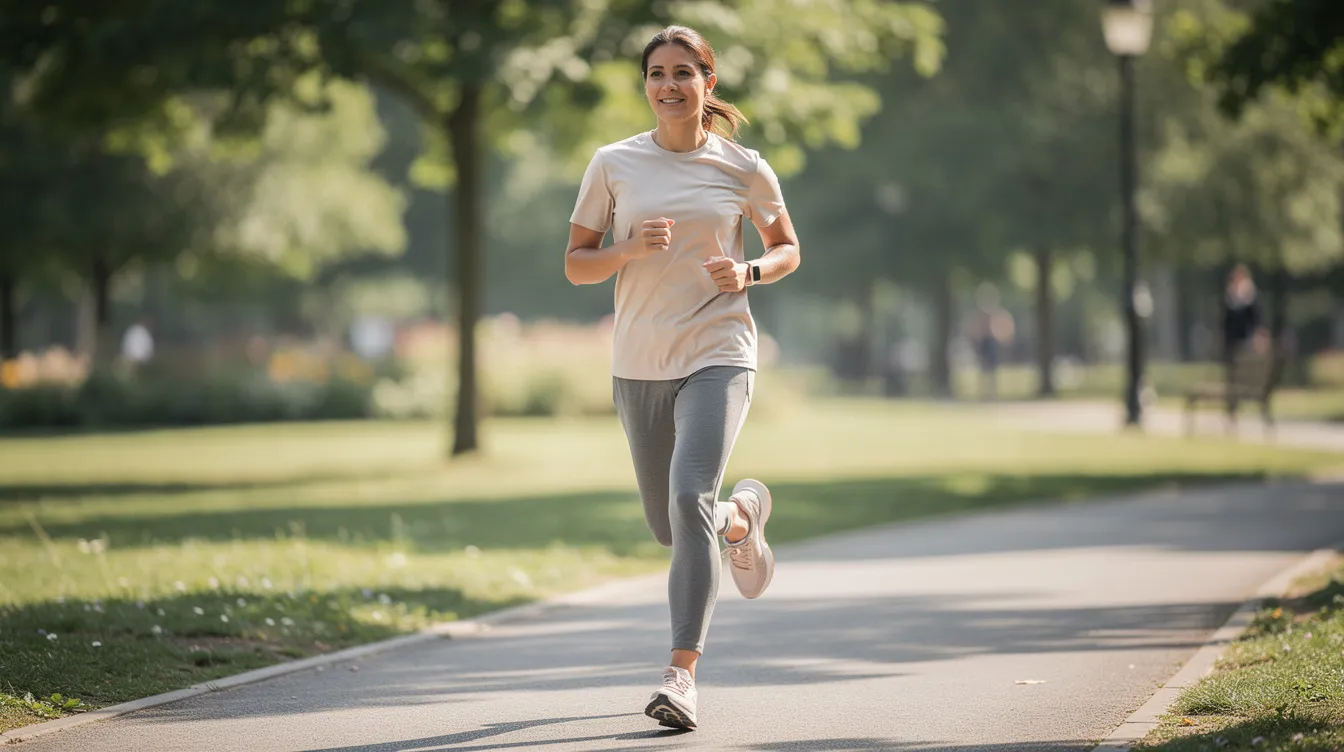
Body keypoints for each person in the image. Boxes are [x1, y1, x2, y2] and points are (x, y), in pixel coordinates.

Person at [564, 25, 802, 731]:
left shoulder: (744, 167)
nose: (668, 85)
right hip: (639, 361)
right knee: (673, 525)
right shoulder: (613, 163)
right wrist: (627, 249)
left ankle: (681, 675)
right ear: (646, 85)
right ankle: (742, 519)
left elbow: (787, 246)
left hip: (719, 350)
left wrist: (750, 270)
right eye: (656, 73)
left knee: (687, 493)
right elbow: (576, 262)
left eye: (682, 73)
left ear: (709, 83)